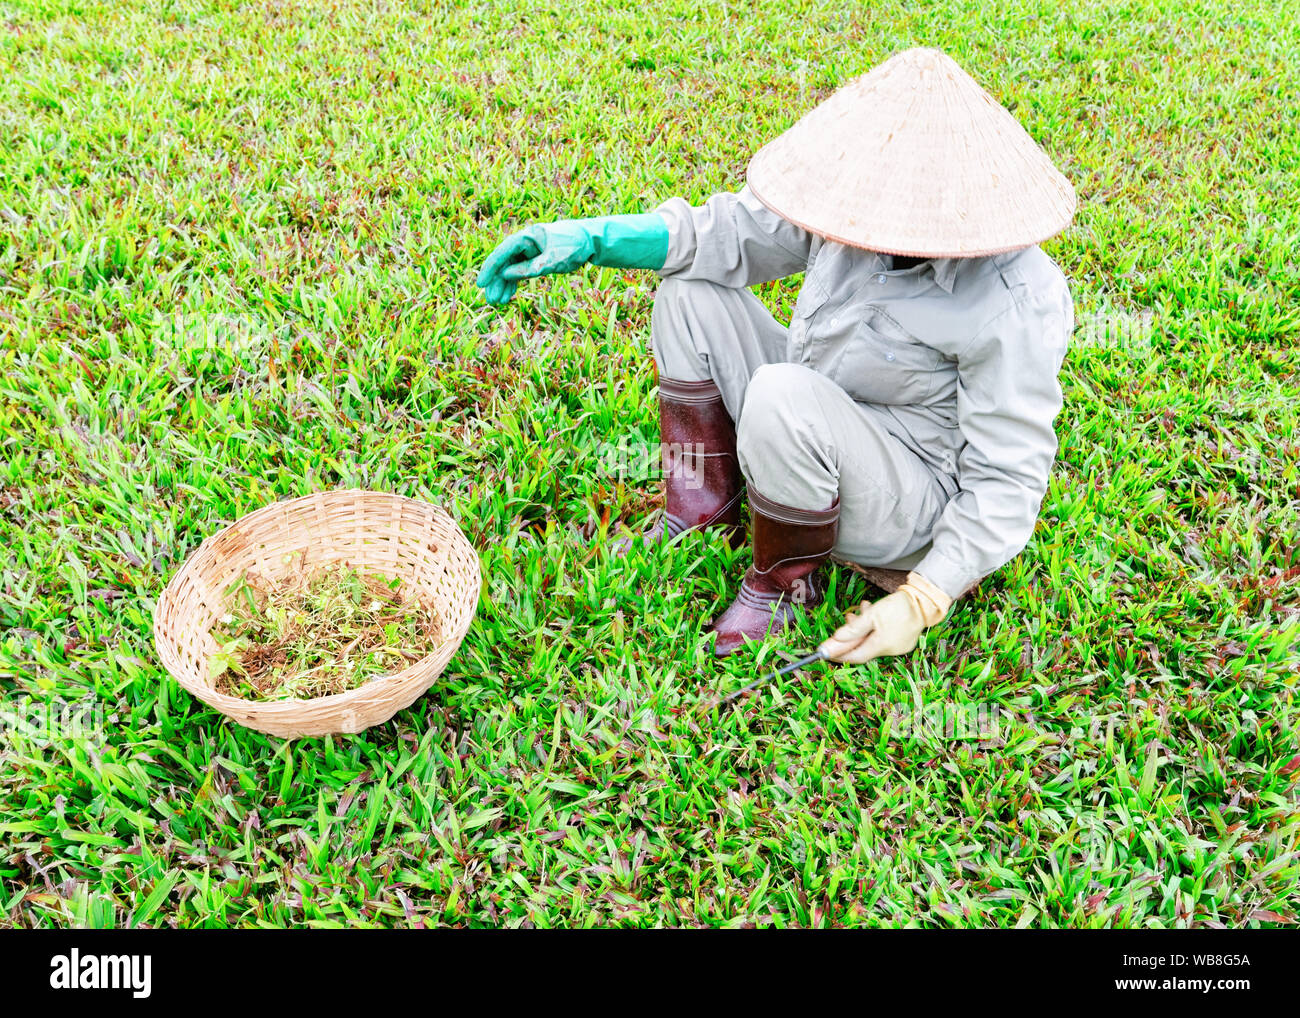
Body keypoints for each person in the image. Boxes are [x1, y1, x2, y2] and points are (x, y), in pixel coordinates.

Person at [477, 48, 1076, 663]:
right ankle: (705, 505)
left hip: (910, 494)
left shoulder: (1016, 298)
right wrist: (591, 239)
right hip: (812, 411)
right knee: (690, 292)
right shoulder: (849, 198)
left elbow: (1008, 482)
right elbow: (726, 236)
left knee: (782, 393)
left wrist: (921, 599)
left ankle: (786, 582)